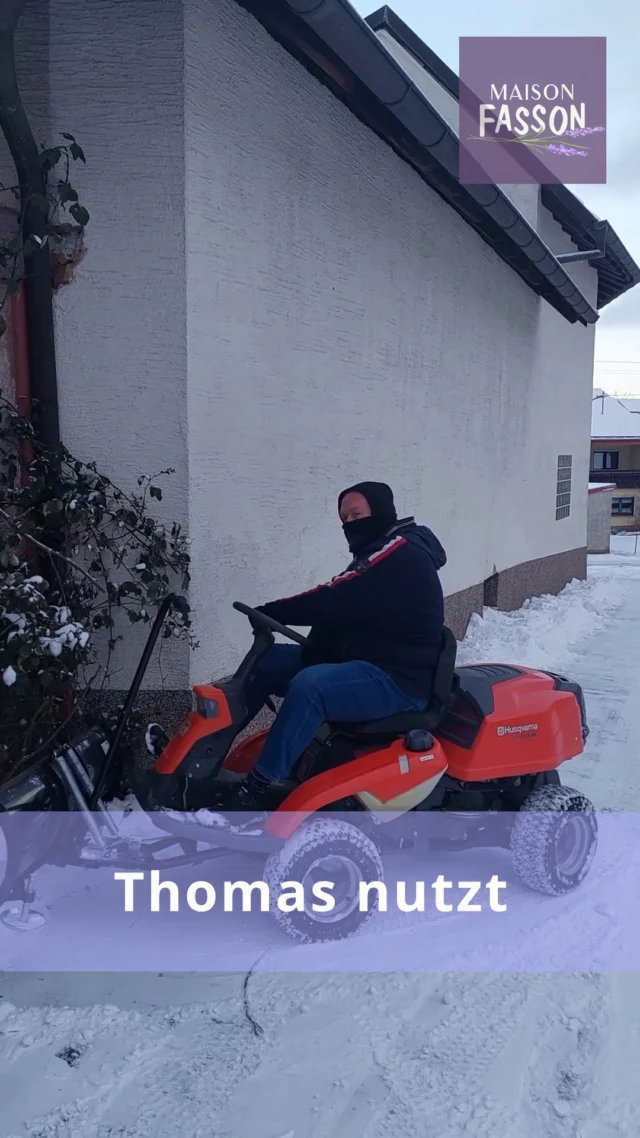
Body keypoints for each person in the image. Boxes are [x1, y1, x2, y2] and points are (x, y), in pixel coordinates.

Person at [228, 481, 447, 810]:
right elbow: (349, 607)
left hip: (399, 680)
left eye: (357, 514)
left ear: (381, 511)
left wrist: (271, 611)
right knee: (266, 663)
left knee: (311, 686)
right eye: (345, 519)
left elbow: (334, 597)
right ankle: (204, 757)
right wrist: (314, 645)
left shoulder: (399, 550)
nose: (350, 524)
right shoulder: (380, 549)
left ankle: (259, 787)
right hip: (368, 660)